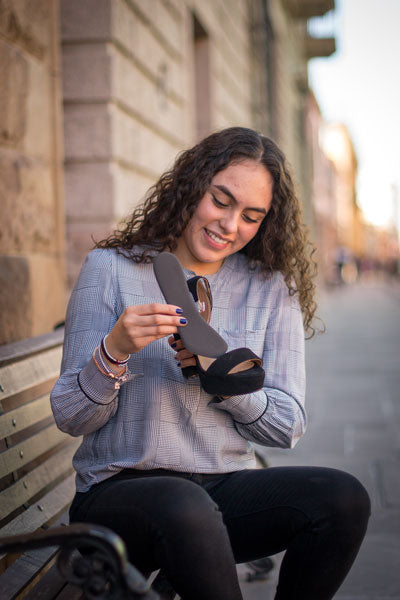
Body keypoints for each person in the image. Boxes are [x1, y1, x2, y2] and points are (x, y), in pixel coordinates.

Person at [51, 127, 370, 600]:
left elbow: (288, 426)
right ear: (192, 185)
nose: (229, 225)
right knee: (184, 504)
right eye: (221, 201)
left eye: (251, 216)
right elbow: (70, 416)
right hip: (118, 493)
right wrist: (113, 351)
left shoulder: (269, 287)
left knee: (342, 498)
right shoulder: (112, 268)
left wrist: (225, 384)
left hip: (221, 487)